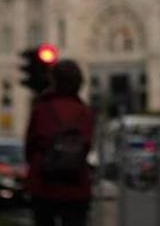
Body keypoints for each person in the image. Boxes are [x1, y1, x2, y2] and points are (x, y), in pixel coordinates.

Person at [25, 60, 95, 226]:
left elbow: (30, 145)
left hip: (43, 184)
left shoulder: (42, 109)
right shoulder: (85, 112)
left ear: (54, 81)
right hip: (76, 184)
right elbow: (86, 146)